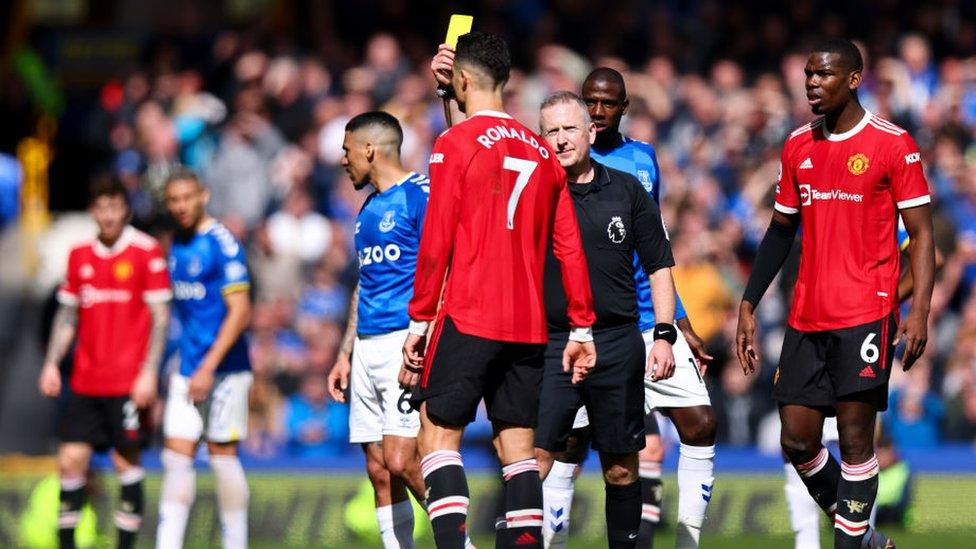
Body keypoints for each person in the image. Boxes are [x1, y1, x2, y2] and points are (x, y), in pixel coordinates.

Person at [736, 38, 935, 549]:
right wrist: (749, 302)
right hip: (806, 315)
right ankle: (865, 538)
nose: (811, 83)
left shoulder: (894, 144)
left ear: (853, 79)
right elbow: (780, 231)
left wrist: (919, 313)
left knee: (854, 442)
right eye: (807, 74)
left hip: (866, 315)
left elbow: (924, 234)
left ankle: (849, 544)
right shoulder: (798, 144)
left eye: (823, 74)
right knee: (797, 439)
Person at [402, 32, 597, 548]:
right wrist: (581, 326)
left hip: (469, 315)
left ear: (462, 80)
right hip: (529, 327)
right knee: (518, 452)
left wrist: (420, 319)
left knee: (438, 438)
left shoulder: (454, 143)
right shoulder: (543, 154)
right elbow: (570, 248)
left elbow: (437, 237)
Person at [539, 67, 717, 549]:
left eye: (607, 103)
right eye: (589, 103)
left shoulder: (642, 162)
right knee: (570, 447)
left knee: (700, 423)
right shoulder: (556, 163)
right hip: (582, 327)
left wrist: (676, 323)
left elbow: (654, 250)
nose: (597, 112)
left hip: (643, 317)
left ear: (623, 108)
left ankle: (687, 540)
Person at [37, 176, 171, 549]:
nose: (109, 216)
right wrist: (51, 364)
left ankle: (124, 545)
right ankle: (67, 543)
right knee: (70, 459)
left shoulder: (146, 252)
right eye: (102, 208)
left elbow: (160, 317)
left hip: (128, 383)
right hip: (85, 380)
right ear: (93, 211)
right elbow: (67, 317)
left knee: (126, 463)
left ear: (125, 209)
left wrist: (148, 373)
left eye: (115, 207)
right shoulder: (79, 255)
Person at [327, 111, 431, 548]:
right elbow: (363, 284)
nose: (342, 159)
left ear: (370, 149)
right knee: (378, 469)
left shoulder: (421, 194)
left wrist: (422, 335)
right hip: (367, 346)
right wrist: (344, 353)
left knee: (403, 460)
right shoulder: (368, 207)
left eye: (347, 150)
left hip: (402, 343)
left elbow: (442, 271)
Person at [157, 169, 253, 549]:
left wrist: (208, 367)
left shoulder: (222, 243)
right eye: (173, 200)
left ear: (204, 195)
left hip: (225, 370)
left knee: (221, 457)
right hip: (188, 367)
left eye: (187, 198)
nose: (181, 206)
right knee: (175, 457)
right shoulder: (177, 244)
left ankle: (236, 542)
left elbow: (240, 311)